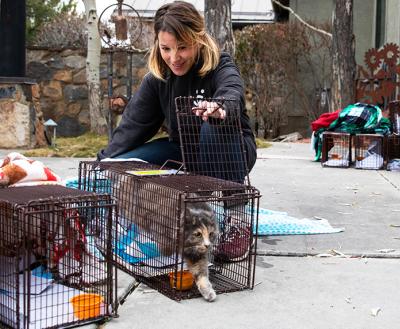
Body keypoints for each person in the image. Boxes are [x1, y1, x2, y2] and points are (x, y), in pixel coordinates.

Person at [97, 1, 257, 261]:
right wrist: (104, 162)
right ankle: (165, 217)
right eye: (166, 49)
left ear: (198, 39)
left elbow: (232, 91)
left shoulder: (220, 64)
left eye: (182, 47)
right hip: (183, 151)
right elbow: (131, 127)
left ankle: (237, 219)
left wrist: (220, 108)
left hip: (229, 150)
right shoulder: (157, 79)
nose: (174, 57)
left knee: (212, 125)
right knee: (124, 160)